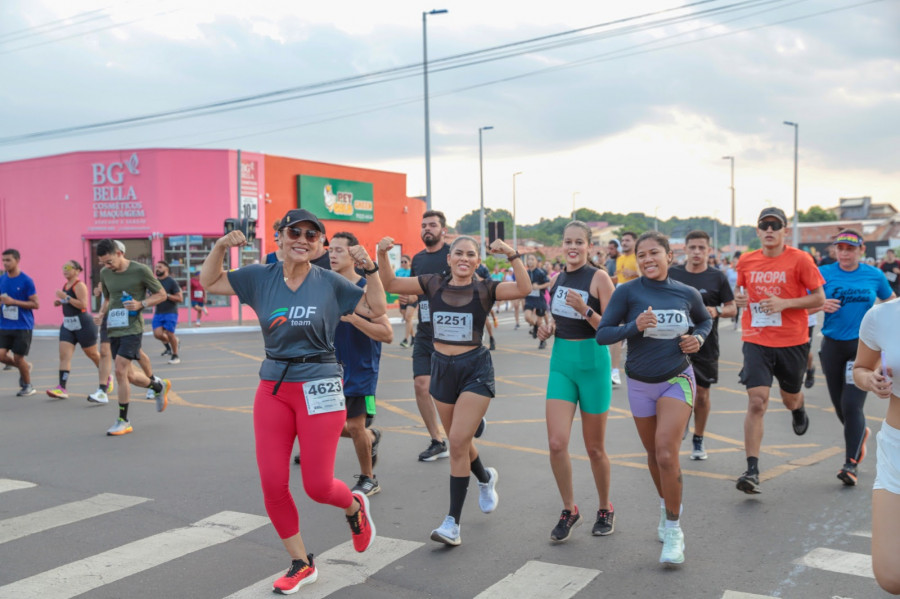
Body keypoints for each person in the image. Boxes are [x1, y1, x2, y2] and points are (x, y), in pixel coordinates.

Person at [200, 209, 380, 594]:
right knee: (272, 482)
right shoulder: (258, 277)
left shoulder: (330, 282)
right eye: (293, 232)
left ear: (320, 245)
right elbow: (210, 282)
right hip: (274, 386)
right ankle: (301, 562)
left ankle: (353, 507)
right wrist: (219, 246)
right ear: (279, 237)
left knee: (317, 485)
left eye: (312, 235)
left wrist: (374, 272)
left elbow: (377, 310)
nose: (302, 239)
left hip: (320, 384)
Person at [377, 234, 530, 546]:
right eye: (458, 253)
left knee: (458, 441)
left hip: (475, 370)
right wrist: (381, 253)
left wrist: (513, 254)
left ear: (477, 260)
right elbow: (391, 284)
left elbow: (524, 289)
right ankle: (485, 478)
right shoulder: (432, 283)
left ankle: (452, 524)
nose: (464, 258)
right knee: (460, 443)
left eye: (470, 254)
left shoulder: (486, 288)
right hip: (442, 371)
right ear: (448, 258)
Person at [595, 231, 712, 565]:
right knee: (653, 453)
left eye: (654, 253)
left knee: (665, 451)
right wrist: (635, 325)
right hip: (640, 383)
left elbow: (704, 321)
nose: (647, 259)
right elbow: (604, 333)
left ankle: (674, 531)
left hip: (677, 379)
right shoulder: (628, 292)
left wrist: (699, 339)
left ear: (669, 257)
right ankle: (666, 507)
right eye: (642, 254)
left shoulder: (686, 293)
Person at [733, 207, 825, 494]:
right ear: (758, 231)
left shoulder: (801, 260)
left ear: (785, 230)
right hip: (757, 339)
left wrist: (785, 304)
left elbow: (819, 299)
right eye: (764, 225)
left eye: (776, 225)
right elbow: (741, 294)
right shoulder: (746, 261)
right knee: (757, 401)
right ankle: (752, 469)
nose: (770, 230)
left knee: (789, 398)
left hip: (792, 341)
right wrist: (740, 300)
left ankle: (798, 408)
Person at [536, 222, 617, 542]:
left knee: (595, 448)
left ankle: (604, 507)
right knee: (557, 443)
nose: (573, 247)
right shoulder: (557, 279)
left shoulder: (599, 278)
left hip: (594, 365)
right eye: (568, 241)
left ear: (588, 245)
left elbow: (611, 330)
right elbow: (558, 318)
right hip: (561, 365)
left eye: (579, 242)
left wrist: (585, 309)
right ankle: (569, 509)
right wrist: (548, 329)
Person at [815, 230, 895, 486]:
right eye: (840, 248)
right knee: (840, 406)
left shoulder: (874, 275)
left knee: (852, 406)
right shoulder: (824, 273)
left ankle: (850, 464)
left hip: (862, 348)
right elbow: (807, 302)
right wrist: (820, 304)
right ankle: (860, 435)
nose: (845, 253)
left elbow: (891, 304)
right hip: (833, 347)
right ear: (835, 251)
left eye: (850, 248)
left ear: (861, 250)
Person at [329, 231, 392, 497]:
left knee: (355, 426)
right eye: (330, 249)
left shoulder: (364, 290)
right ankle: (372, 437)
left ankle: (369, 478)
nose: (332, 254)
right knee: (329, 425)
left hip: (361, 369)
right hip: (330, 368)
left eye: (339, 250)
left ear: (353, 255)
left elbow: (387, 334)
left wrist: (355, 320)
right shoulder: (326, 286)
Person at [668, 230, 737, 460]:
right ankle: (679, 428)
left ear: (708, 251)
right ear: (685, 250)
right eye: (692, 247)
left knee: (702, 395)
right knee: (675, 391)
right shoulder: (672, 274)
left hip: (705, 343)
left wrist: (716, 311)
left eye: (701, 248)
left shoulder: (717, 277)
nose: (697, 252)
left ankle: (698, 438)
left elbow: (732, 307)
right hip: (673, 344)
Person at [94, 239, 171, 435]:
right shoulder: (105, 273)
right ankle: (157, 385)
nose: (107, 266)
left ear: (119, 253)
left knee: (119, 370)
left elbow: (161, 294)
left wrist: (141, 304)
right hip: (114, 327)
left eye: (109, 261)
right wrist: (101, 314)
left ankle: (123, 420)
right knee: (128, 375)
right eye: (103, 263)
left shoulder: (140, 270)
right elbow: (109, 298)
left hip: (133, 327)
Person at [852, 297, 899, 594]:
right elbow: (860, 368)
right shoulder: (882, 316)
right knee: (891, 575)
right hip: (897, 447)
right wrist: (871, 380)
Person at [406, 210, 452, 462]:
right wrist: (410, 298)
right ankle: (437, 440)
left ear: (443, 230)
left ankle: (472, 418)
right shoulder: (418, 259)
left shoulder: (454, 255)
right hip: (425, 331)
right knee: (421, 385)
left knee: (450, 389)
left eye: (433, 225)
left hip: (452, 332)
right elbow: (417, 291)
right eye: (424, 225)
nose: (427, 229)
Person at [45, 260, 104, 400]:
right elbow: (70, 301)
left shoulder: (80, 285)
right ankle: (62, 387)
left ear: (77, 270)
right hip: (68, 324)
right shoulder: (66, 285)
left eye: (68, 267)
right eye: (63, 267)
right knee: (64, 356)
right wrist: (60, 302)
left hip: (83, 324)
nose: (65, 270)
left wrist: (65, 297)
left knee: (92, 354)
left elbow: (83, 304)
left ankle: (106, 377)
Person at [0, 249, 39, 396]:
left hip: (22, 325)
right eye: (3, 260)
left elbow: (36, 304)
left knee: (18, 357)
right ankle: (24, 367)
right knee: (1, 355)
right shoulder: (2, 279)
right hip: (4, 324)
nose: (5, 263)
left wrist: (13, 302)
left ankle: (28, 386)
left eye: (8, 260)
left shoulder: (26, 280)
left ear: (17, 260)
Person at [611, 231, 640, 385]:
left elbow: (646, 277)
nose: (624, 243)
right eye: (623, 240)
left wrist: (634, 273)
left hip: (636, 298)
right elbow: (620, 278)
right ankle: (614, 372)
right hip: (621, 296)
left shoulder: (639, 257)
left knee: (637, 334)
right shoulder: (620, 258)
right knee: (617, 333)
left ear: (635, 242)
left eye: (628, 240)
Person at [152, 261, 183, 364]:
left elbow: (180, 298)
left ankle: (175, 355)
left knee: (170, 333)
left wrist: (167, 295)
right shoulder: (155, 282)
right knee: (157, 334)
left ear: (166, 269)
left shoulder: (171, 282)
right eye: (156, 267)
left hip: (170, 312)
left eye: (160, 267)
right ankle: (173, 342)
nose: (157, 269)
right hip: (158, 312)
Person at [524, 254, 551, 349]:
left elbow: (548, 282)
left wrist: (538, 287)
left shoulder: (540, 272)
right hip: (529, 299)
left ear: (536, 261)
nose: (530, 261)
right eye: (529, 259)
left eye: (532, 259)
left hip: (539, 299)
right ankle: (534, 326)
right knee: (527, 317)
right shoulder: (525, 272)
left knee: (540, 321)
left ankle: (542, 341)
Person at [395, 254, 416, 348]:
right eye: (401, 262)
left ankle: (406, 340)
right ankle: (414, 337)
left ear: (410, 263)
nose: (403, 263)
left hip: (412, 297)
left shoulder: (413, 271)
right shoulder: (398, 272)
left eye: (405, 261)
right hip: (402, 297)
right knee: (405, 317)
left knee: (408, 317)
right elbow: (394, 284)